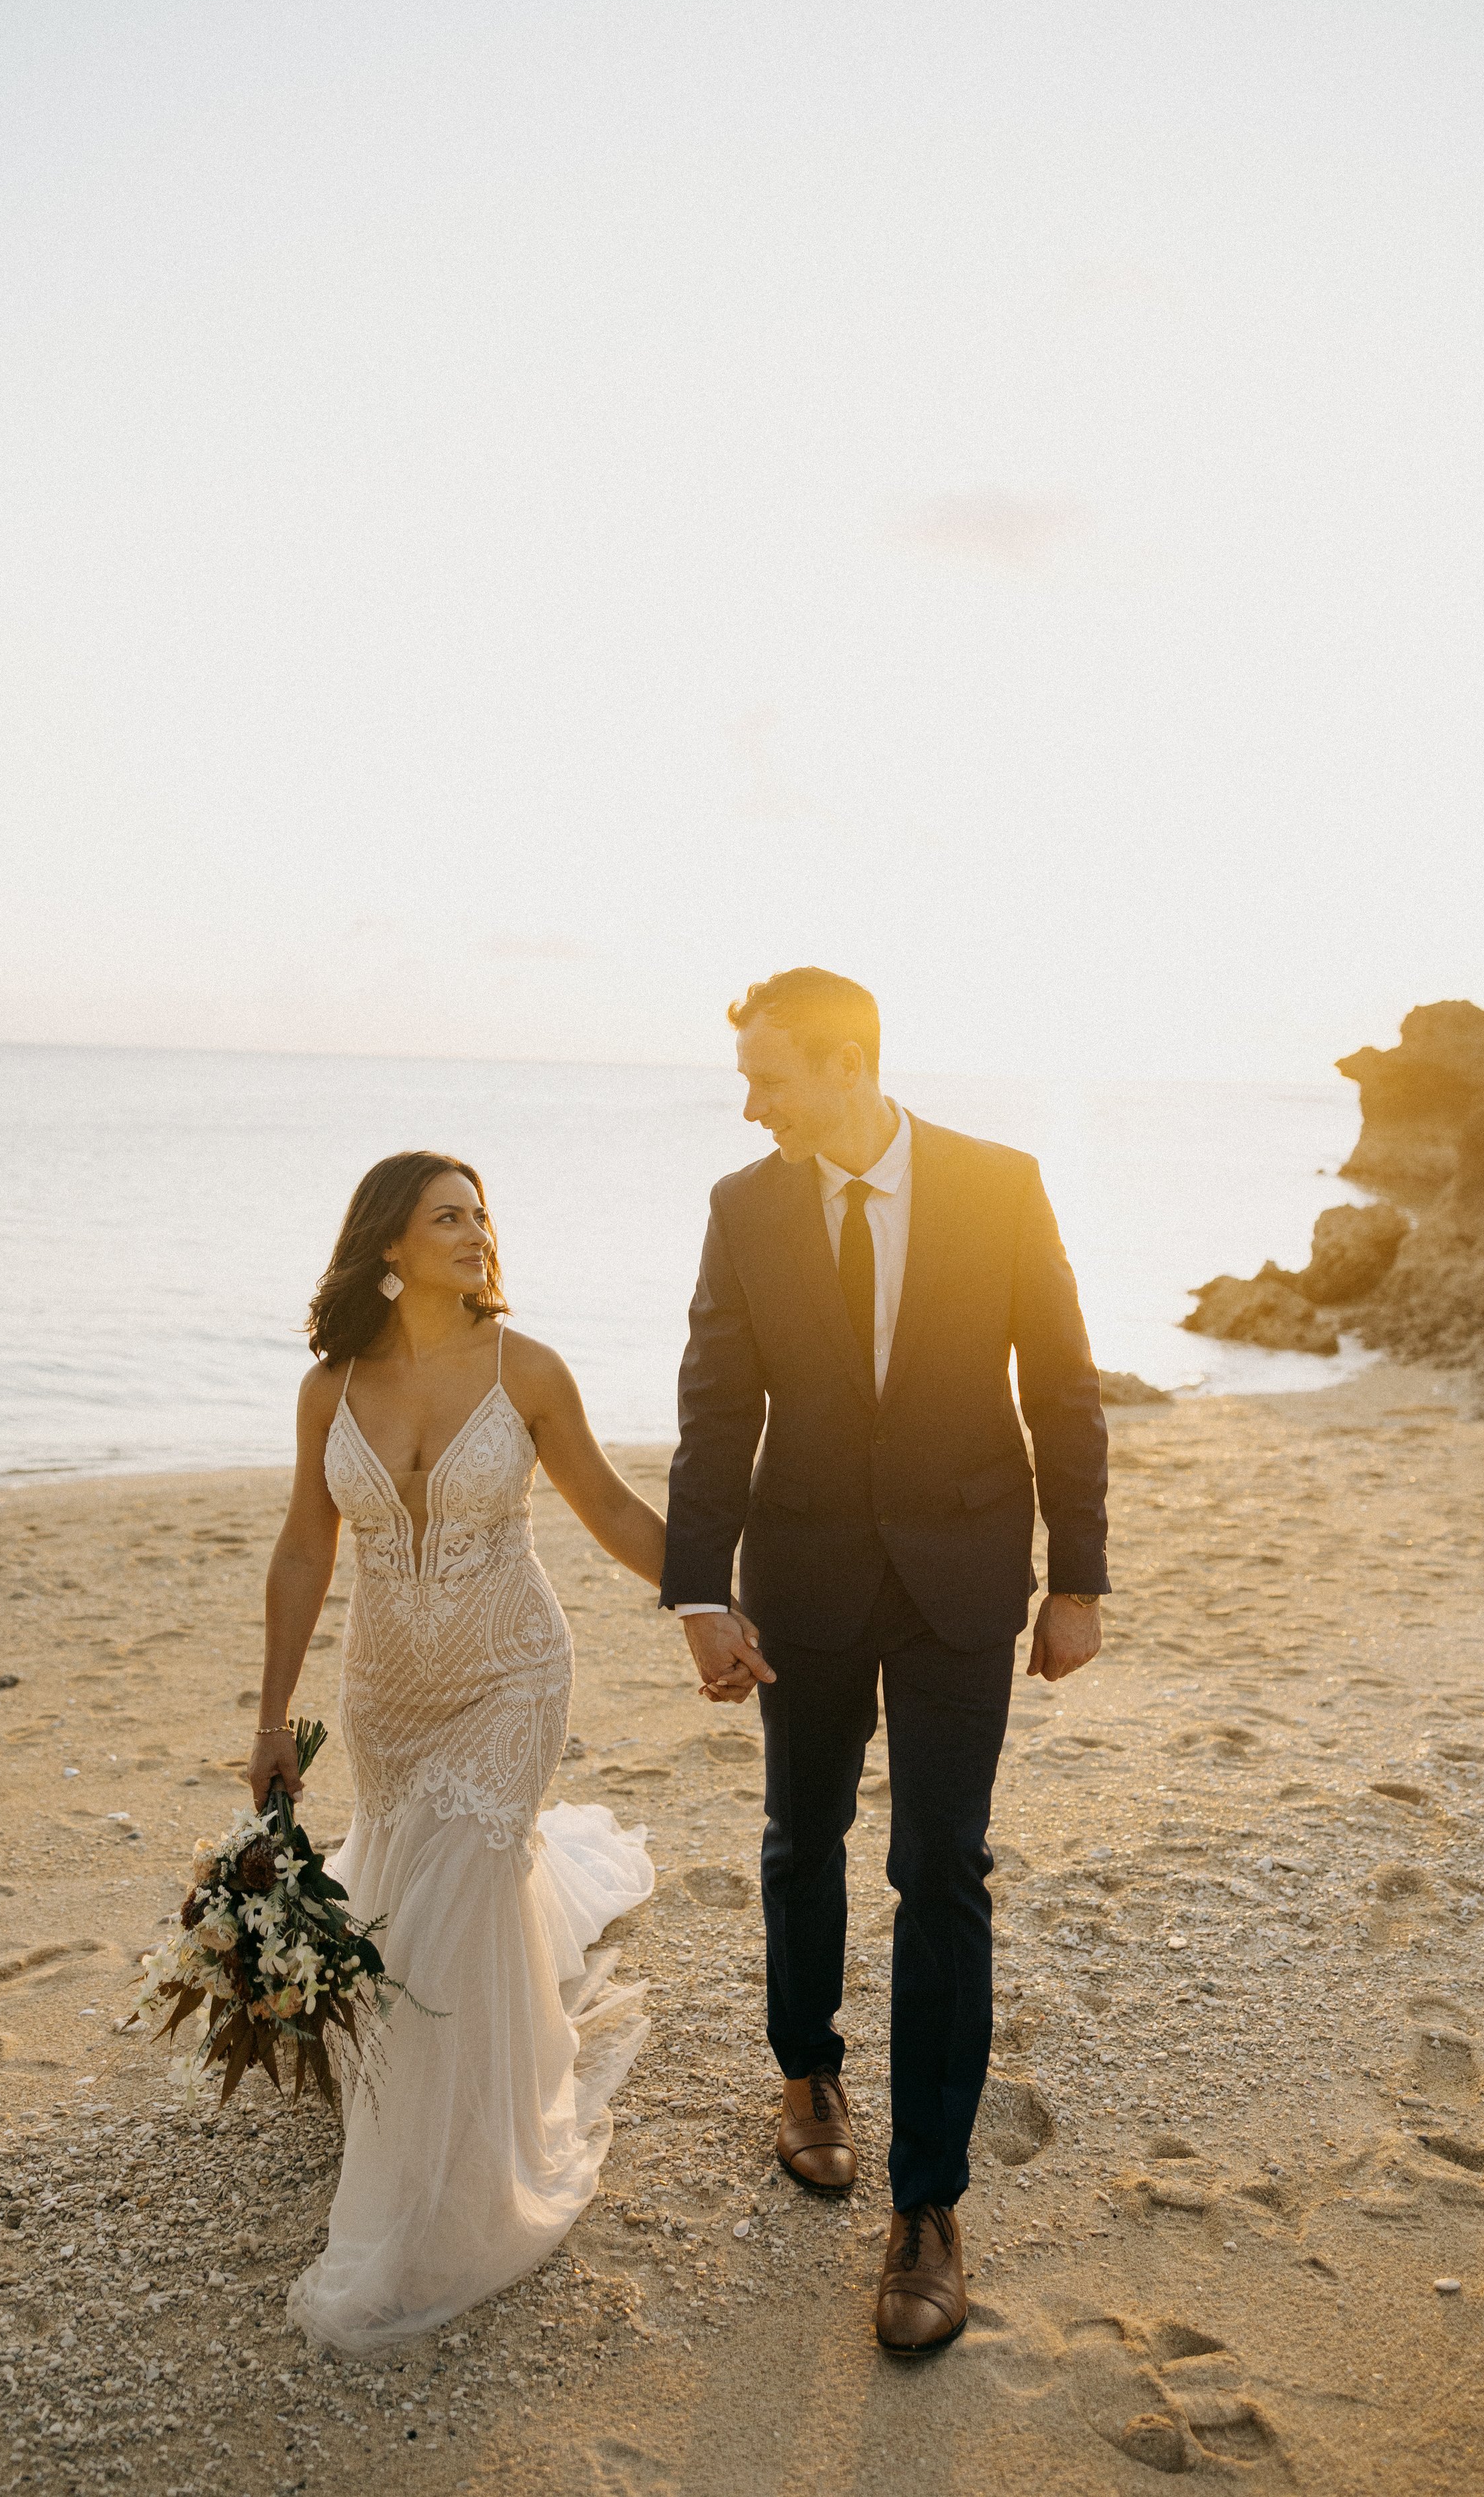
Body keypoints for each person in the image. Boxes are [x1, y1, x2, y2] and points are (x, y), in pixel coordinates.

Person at [662, 969, 1109, 2355]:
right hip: (800, 1582)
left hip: (962, 1580)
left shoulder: (998, 1183)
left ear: (847, 1062)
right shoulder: (744, 1208)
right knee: (802, 1842)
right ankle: (805, 2074)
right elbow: (716, 1403)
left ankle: (927, 2209)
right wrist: (698, 1592)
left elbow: (1063, 1385)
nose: (749, 1103)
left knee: (941, 1872)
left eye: (768, 1076)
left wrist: (1077, 1578)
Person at [251, 1150, 664, 2352]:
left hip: (510, 1674)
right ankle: (413, 2099)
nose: (477, 1232)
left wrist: (717, 1597)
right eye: (449, 1217)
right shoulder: (329, 1388)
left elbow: (614, 1507)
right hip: (386, 1691)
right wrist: (273, 1719)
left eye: (483, 1214)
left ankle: (445, 2196)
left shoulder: (525, 1370)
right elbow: (301, 1553)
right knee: (401, 1911)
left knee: (460, 1893)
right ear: (390, 1243)